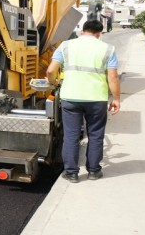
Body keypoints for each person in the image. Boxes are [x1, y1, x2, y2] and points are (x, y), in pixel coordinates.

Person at [46, 19, 121, 183]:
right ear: (99, 34)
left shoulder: (66, 45)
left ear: (82, 32)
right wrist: (116, 99)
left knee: (71, 136)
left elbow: (50, 70)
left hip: (71, 98)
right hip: (96, 99)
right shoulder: (107, 49)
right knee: (95, 135)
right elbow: (113, 77)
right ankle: (94, 171)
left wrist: (53, 82)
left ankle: (71, 173)